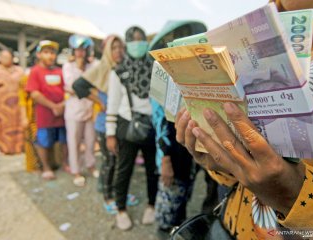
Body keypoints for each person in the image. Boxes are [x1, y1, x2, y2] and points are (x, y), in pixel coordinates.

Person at [175, 0, 313, 239]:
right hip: (230, 225)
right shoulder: (256, 30)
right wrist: (220, 161)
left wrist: (294, 197)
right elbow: (237, 178)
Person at [148, 20, 210, 238]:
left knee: (183, 199)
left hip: (189, 152)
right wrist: (165, 160)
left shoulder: (192, 77)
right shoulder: (160, 80)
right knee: (168, 208)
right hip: (171, 154)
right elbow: (159, 124)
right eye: (175, 37)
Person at [73, 35, 139, 213]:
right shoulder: (101, 68)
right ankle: (107, 197)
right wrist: (98, 101)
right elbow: (78, 86)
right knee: (110, 162)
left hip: (122, 124)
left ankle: (120, 195)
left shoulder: (124, 67)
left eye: (121, 48)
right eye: (114, 48)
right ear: (107, 51)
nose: (118, 51)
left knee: (121, 163)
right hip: (105, 126)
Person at [105, 26, 158, 230]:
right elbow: (112, 104)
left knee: (152, 169)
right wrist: (110, 134)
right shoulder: (118, 71)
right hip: (126, 127)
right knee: (124, 170)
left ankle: (152, 205)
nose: (138, 44)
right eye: (133, 40)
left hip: (151, 125)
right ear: (128, 44)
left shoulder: (154, 67)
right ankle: (121, 210)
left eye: (141, 39)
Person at [26, 40, 68, 180]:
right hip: (44, 116)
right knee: (44, 142)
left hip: (61, 115)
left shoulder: (60, 71)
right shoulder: (35, 71)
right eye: (46, 52)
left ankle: (64, 163)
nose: (50, 56)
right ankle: (46, 168)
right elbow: (34, 93)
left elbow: (67, 90)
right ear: (38, 54)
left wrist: (62, 105)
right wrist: (53, 106)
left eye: (52, 52)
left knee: (64, 141)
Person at [63, 34, 98, 187]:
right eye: (77, 49)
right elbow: (72, 87)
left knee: (90, 141)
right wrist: (82, 88)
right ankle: (76, 171)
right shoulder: (67, 66)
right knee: (74, 142)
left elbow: (95, 83)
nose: (80, 52)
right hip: (73, 111)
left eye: (83, 49)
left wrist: (80, 89)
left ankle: (90, 165)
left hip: (89, 110)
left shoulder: (92, 65)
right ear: (73, 50)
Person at [0, 49, 24, 154]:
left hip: (18, 106)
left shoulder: (19, 71)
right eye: (2, 57)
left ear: (12, 58)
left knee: (19, 125)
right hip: (1, 106)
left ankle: (19, 148)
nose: (4, 59)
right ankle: (5, 149)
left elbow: (25, 85)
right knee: (2, 126)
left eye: (7, 57)